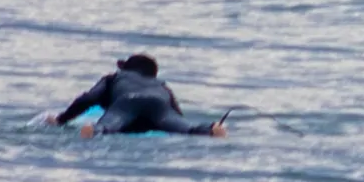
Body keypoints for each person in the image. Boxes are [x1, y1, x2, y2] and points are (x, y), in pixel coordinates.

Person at [41, 54, 226, 138]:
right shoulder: (161, 85)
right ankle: (212, 129)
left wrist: (61, 119)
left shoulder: (114, 78)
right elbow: (177, 116)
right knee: (188, 129)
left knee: (105, 128)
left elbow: (88, 99)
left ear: (125, 68)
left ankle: (92, 132)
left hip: (126, 105)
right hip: (158, 106)